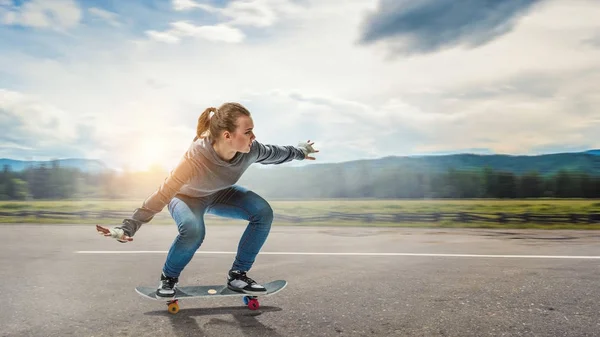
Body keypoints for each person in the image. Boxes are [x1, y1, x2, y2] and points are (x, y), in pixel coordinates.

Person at [96, 102, 318, 299]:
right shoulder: (195, 157)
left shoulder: (251, 150)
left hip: (220, 194)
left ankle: (238, 276)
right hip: (185, 197)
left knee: (262, 212)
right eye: (248, 131)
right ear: (227, 135)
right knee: (193, 230)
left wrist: (300, 151)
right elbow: (164, 193)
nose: (254, 137)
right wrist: (128, 227)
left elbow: (275, 153)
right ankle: (168, 279)